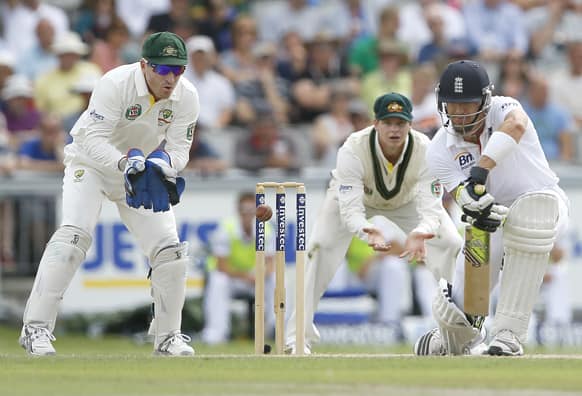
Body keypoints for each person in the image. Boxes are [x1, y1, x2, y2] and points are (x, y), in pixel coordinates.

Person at [18, 31, 200, 357]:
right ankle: (36, 329)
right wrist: (123, 162)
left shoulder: (187, 97)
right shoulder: (115, 83)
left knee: (170, 252)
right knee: (74, 237)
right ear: (144, 65)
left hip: (139, 170)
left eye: (178, 70)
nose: (170, 78)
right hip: (91, 165)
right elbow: (92, 139)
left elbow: (179, 149)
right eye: (162, 69)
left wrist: (164, 165)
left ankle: (168, 336)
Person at [284, 92, 463, 354]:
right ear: (375, 124)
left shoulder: (426, 149)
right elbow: (350, 208)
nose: (394, 129)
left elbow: (431, 207)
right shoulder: (352, 148)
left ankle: (455, 333)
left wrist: (420, 231)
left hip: (406, 199)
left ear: (409, 125)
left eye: (400, 123)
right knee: (320, 246)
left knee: (450, 242)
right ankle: (296, 337)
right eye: (388, 122)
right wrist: (366, 230)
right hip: (357, 200)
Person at [416, 59, 570, 357]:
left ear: (485, 100)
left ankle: (509, 334)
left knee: (530, 215)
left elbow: (516, 125)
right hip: (491, 219)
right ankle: (451, 335)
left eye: (468, 104)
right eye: (453, 105)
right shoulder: (438, 149)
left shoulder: (503, 108)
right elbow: (462, 194)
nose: (460, 114)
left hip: (546, 202)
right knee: (458, 327)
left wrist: (482, 170)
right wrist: (475, 205)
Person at [201, 192, 275, 344]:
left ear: (257, 211)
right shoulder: (226, 228)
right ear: (238, 210)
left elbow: (271, 264)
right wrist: (246, 277)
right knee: (218, 280)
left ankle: (274, 329)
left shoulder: (265, 229)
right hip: (233, 279)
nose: (247, 214)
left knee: (275, 279)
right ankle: (216, 333)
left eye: (251, 209)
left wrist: (259, 276)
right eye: (244, 209)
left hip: (257, 278)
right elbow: (222, 266)